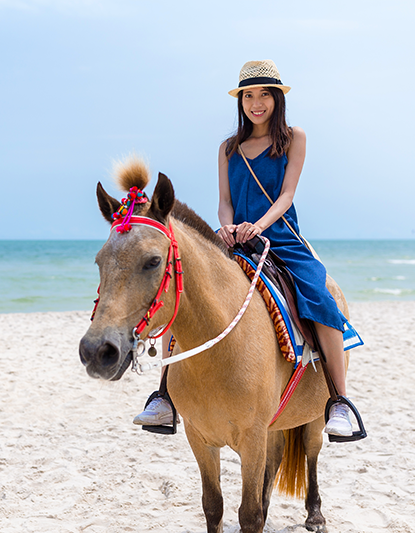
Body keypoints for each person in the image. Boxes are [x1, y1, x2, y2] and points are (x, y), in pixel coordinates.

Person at [133, 59, 354, 437]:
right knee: (185, 292)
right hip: (234, 239)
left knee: (319, 295)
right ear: (241, 101)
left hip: (280, 237)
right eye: (249, 95)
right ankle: (164, 396)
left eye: (264, 95)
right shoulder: (228, 148)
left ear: (276, 99)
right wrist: (228, 226)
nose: (256, 103)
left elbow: (287, 195)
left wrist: (260, 225)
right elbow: (224, 200)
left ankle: (340, 401)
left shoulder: (294, 138)